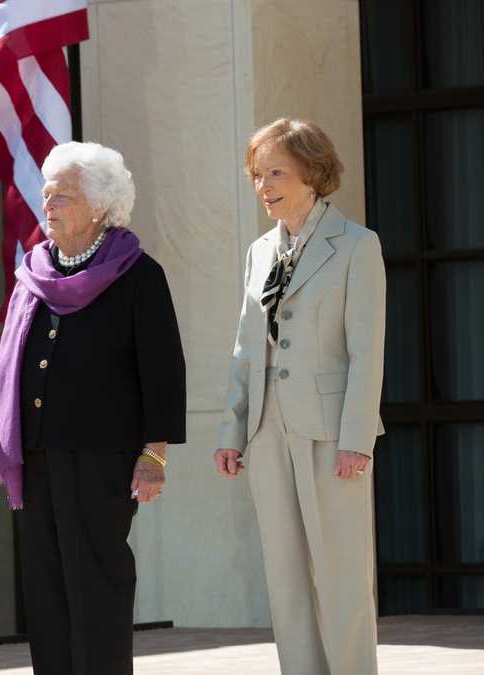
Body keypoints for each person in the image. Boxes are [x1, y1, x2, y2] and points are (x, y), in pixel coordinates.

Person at [0, 141, 186, 674]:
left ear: (101, 206)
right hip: (35, 456)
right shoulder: (34, 272)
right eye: (47, 194)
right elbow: (10, 361)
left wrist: (154, 455)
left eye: (62, 196)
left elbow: (164, 371)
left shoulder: (137, 274)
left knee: (96, 585)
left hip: (102, 457)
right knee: (46, 590)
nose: (48, 205)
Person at [215, 118, 385, 674]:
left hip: (332, 434)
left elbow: (366, 352)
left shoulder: (357, 246)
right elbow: (246, 349)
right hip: (267, 435)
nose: (263, 187)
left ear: (312, 173)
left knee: (341, 577)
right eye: (257, 175)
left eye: (276, 174)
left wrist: (357, 439)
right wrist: (233, 430)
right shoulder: (259, 251)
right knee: (286, 581)